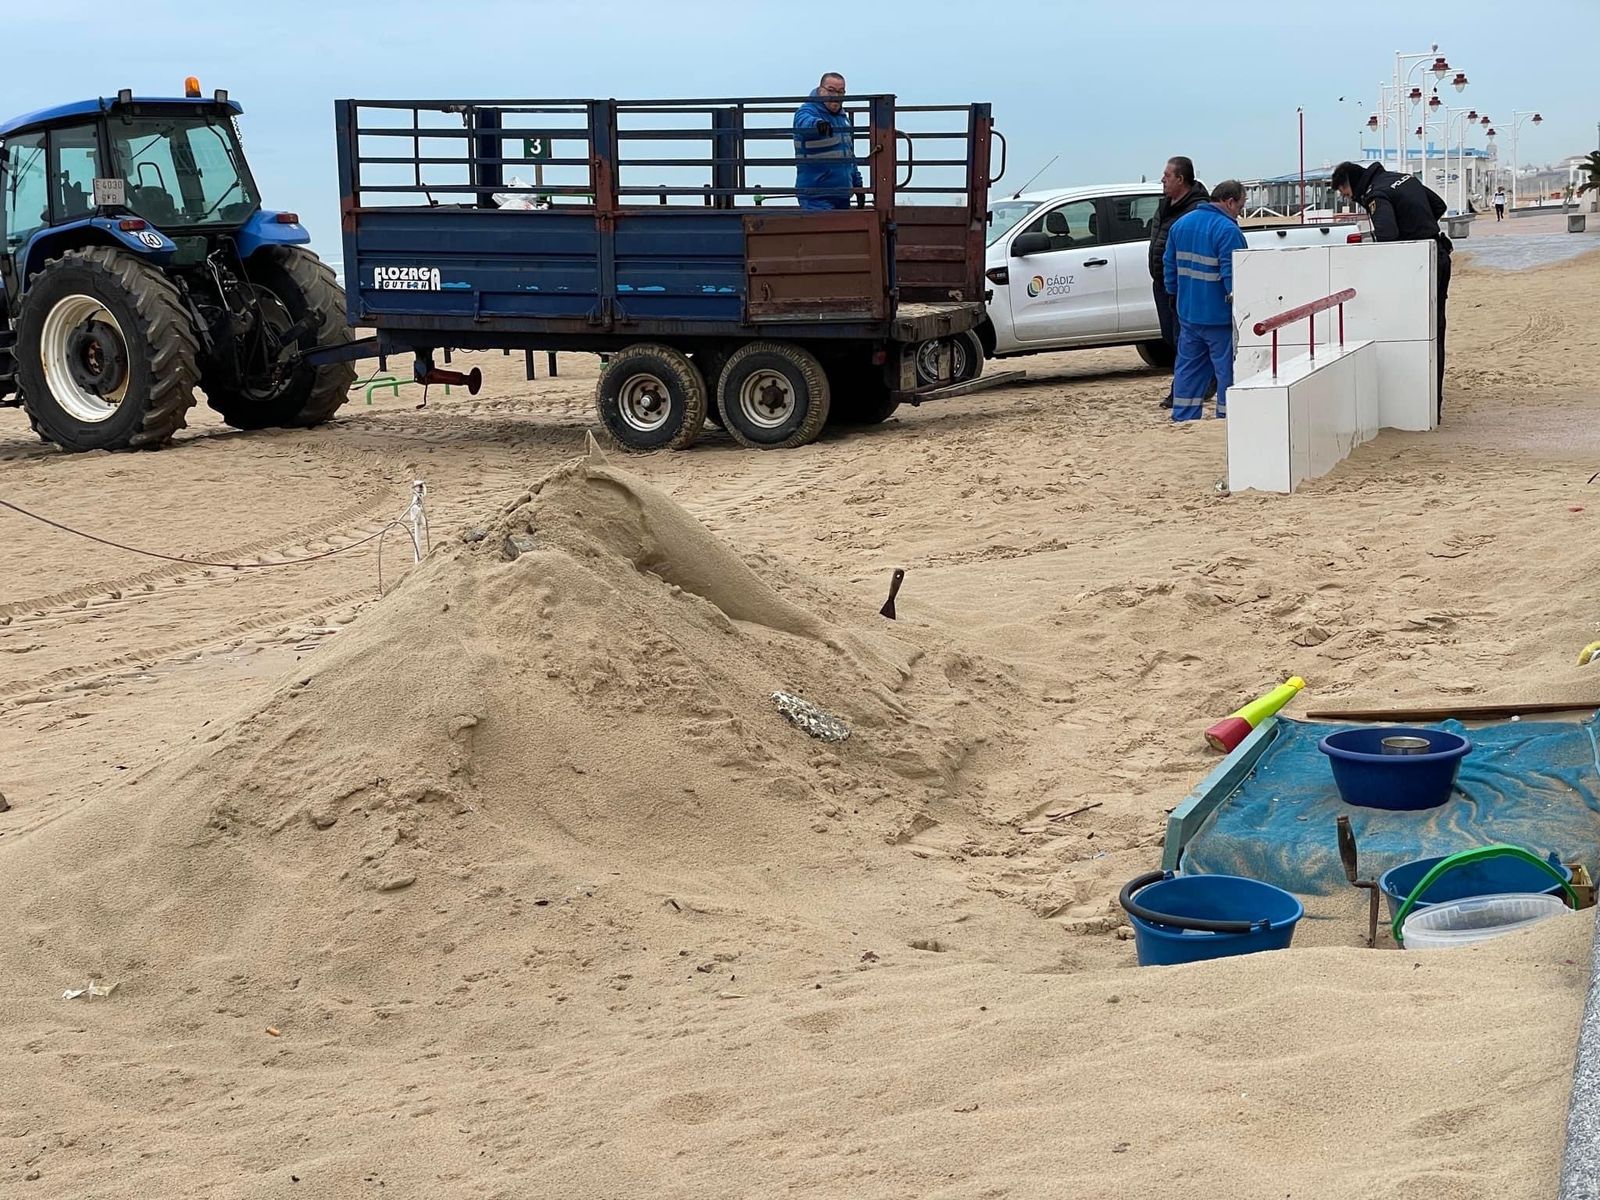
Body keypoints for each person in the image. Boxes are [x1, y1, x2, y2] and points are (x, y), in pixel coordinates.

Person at [1331, 160, 1451, 419]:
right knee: (1436, 330)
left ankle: (1423, 407)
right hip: (1439, 253)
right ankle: (1434, 403)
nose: (1348, 198)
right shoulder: (1404, 178)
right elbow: (1439, 205)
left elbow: (1387, 236)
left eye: (1345, 193)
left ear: (1349, 183)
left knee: (1419, 332)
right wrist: (1420, 228)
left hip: (1421, 268)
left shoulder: (1377, 193)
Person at [1162, 179, 1247, 422]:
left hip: (1188, 314)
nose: (1240, 213)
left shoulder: (1181, 225)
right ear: (1230, 202)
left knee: (1188, 369)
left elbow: (1169, 266)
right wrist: (1239, 306)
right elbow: (1233, 274)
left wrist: (1175, 295)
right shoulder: (1227, 230)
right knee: (1226, 372)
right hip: (1219, 317)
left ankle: (1183, 416)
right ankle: (1227, 416)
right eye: (1240, 207)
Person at [1148, 157, 1212, 410]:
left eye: (1167, 175)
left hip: (1185, 285)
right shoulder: (1165, 206)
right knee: (1171, 338)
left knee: (1184, 340)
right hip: (1162, 281)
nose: (1162, 180)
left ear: (1180, 179)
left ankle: (1185, 390)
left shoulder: (1196, 210)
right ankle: (1199, 383)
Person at [793, 73, 863, 211]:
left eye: (840, 92)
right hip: (816, 197)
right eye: (831, 91)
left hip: (842, 195)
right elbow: (803, 122)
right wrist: (818, 125)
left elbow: (849, 156)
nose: (836, 96)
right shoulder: (808, 110)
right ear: (820, 90)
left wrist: (858, 186)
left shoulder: (843, 118)